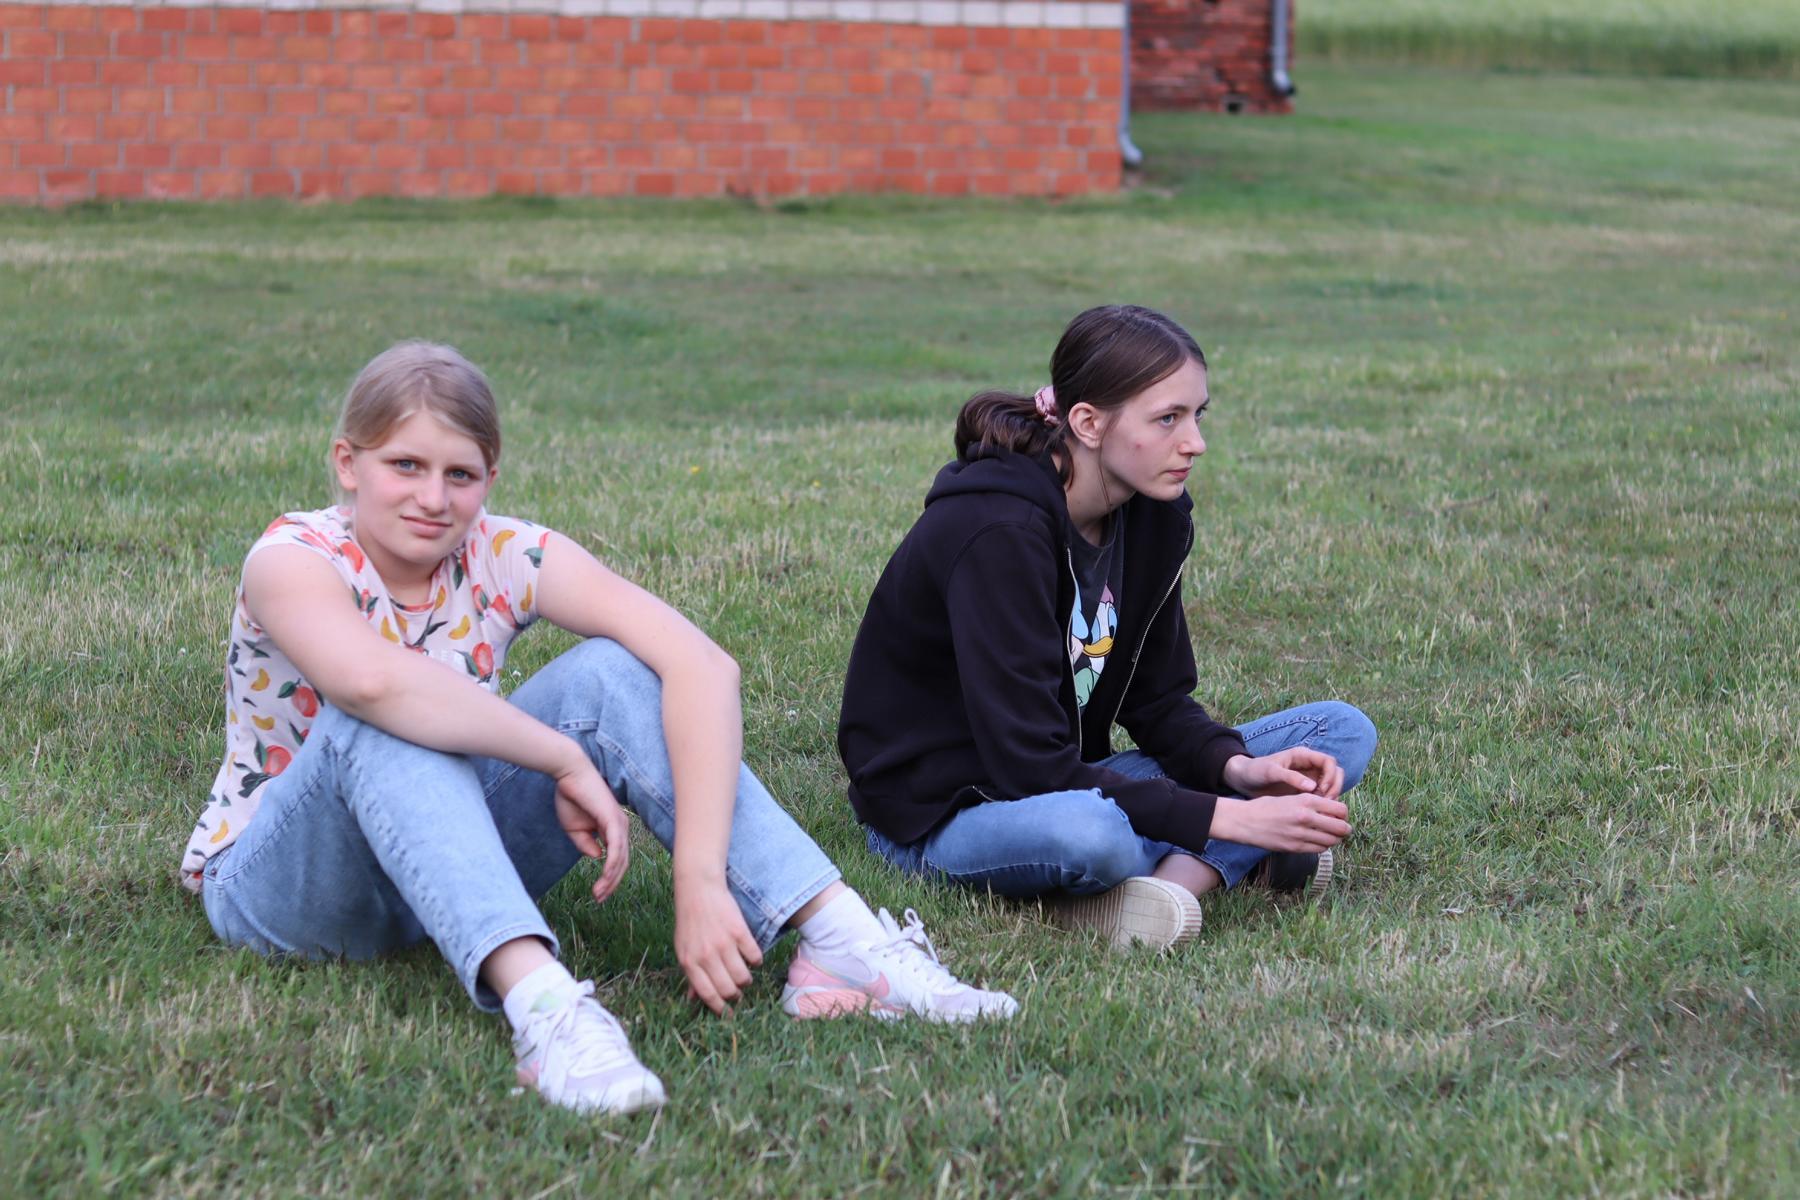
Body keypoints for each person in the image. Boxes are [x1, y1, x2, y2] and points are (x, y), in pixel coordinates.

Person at [181, 341, 1017, 1118]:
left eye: (460, 474)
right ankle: (548, 1012)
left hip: (446, 860)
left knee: (612, 673)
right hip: (287, 887)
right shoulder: (292, 556)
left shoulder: (504, 552)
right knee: (390, 715)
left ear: (490, 477)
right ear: (348, 463)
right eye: (405, 465)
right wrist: (557, 755)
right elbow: (371, 683)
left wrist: (699, 875)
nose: (434, 499)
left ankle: (842, 942)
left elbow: (704, 667)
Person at [837, 305, 1378, 951]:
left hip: (1069, 776)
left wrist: (1234, 769)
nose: (1195, 442)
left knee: (1339, 732)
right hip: (947, 811)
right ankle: (1223, 858)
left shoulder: (1153, 515)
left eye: (1197, 415)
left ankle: (1170, 888)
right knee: (1096, 837)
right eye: (1167, 418)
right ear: (1088, 423)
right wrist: (1232, 818)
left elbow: (1157, 701)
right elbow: (1030, 768)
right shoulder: (996, 531)